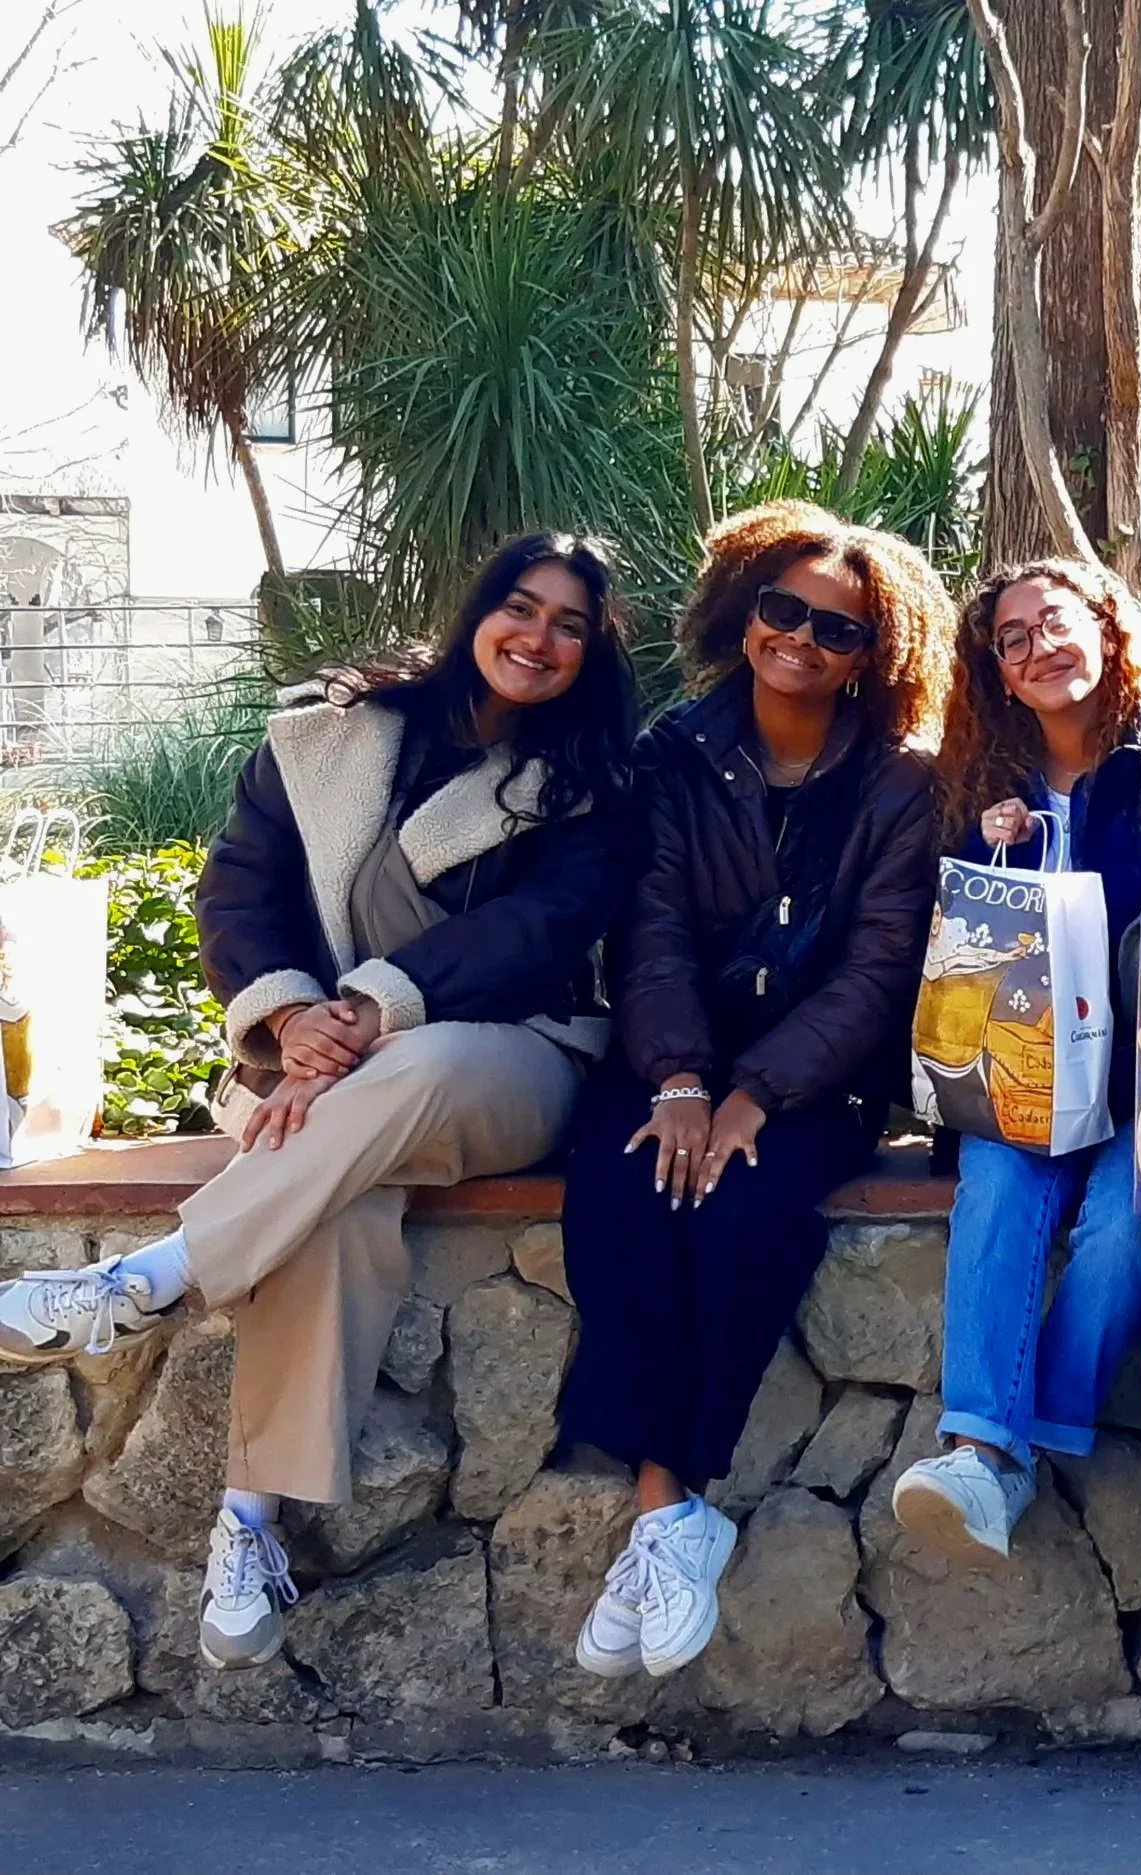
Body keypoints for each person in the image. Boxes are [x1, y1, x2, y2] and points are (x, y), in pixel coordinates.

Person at [0, 533, 641, 1668]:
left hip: (509, 1058)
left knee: (422, 1068)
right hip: (319, 1071)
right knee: (339, 1200)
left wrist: (376, 1006)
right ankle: (249, 1524)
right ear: (477, 610)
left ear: (590, 653)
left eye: (569, 625)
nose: (538, 639)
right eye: (521, 608)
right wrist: (293, 1018)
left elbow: (535, 933)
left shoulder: (591, 785)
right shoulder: (325, 739)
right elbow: (240, 889)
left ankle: (156, 1277)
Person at [557, 500, 949, 1679]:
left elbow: (884, 964)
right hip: (677, 1050)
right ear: (744, 610)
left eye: (839, 628)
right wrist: (681, 1076)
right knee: (622, 1192)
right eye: (785, 610)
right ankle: (666, 1516)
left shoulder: (900, 780)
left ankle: (675, 1500)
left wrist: (759, 1095)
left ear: (874, 654)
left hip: (821, 1075)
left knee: (743, 1214)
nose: (805, 640)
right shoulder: (675, 754)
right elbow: (654, 923)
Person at [888, 559, 1141, 1559]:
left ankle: (1013, 1443)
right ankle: (977, 1449)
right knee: (992, 1184)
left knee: (1127, 1229)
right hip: (1023, 1076)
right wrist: (994, 859)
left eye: (1055, 623)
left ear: (1110, 628)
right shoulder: (976, 786)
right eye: (1012, 639)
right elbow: (942, 949)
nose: (1037, 649)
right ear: (994, 668)